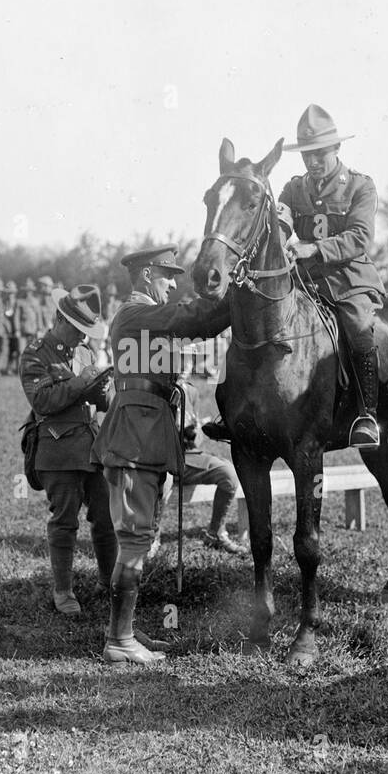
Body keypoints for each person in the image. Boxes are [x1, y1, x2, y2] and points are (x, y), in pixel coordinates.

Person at [92, 244, 231, 664]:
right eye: (169, 276)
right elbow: (193, 319)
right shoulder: (136, 312)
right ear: (148, 275)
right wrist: (234, 295)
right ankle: (119, 642)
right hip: (135, 438)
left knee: (141, 536)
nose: (174, 284)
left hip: (148, 435)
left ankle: (125, 630)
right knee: (135, 541)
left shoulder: (147, 319)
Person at [278, 104, 387, 447]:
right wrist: (278, 242)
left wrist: (314, 249)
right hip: (304, 282)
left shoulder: (359, 186)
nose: (312, 161)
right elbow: (280, 223)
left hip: (348, 280)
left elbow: (360, 238)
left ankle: (367, 414)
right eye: (307, 155)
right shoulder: (293, 189)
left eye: (320, 154)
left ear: (336, 149)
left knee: (356, 327)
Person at [20, 285, 117, 614]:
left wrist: (102, 389)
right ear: (60, 319)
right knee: (64, 521)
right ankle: (63, 591)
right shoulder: (36, 354)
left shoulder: (86, 352)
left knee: (105, 517)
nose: (82, 338)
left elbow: (100, 403)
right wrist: (81, 383)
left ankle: (109, 581)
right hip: (58, 451)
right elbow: (43, 401)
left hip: (93, 448)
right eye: (78, 330)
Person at [169, 344, 246, 554]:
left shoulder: (191, 391)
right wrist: (177, 431)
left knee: (229, 474)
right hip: (166, 458)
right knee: (160, 484)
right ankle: (153, 539)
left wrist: (197, 431)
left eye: (191, 359)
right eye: (181, 358)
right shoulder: (162, 389)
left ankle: (215, 533)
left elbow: (197, 439)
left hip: (190, 457)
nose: (186, 364)